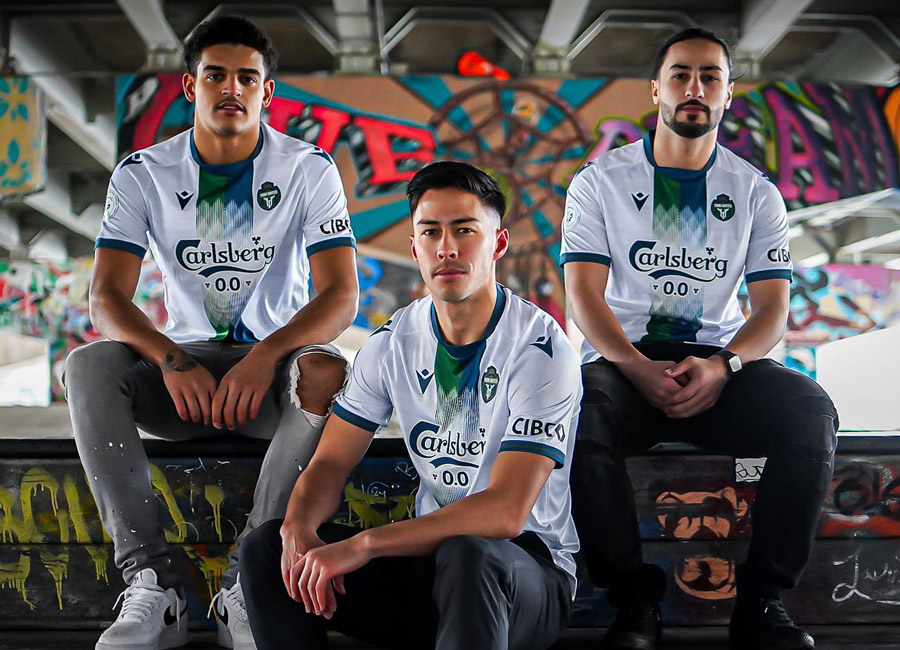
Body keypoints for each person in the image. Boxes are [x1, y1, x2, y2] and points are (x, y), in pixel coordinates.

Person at [63, 15, 358, 650]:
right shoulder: (143, 172)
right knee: (87, 366)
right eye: (215, 75)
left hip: (273, 382)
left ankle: (245, 584)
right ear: (189, 85)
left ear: (266, 92)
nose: (231, 88)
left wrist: (267, 357)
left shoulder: (309, 169)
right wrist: (171, 360)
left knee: (327, 368)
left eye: (247, 78)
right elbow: (106, 299)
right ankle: (153, 583)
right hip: (186, 381)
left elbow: (341, 296)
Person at [561, 28, 838, 650]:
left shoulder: (756, 192)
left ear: (728, 93)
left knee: (810, 410)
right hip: (623, 364)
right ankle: (634, 602)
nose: (695, 87)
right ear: (656, 89)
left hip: (715, 368)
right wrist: (635, 367)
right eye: (681, 74)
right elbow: (584, 297)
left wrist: (724, 367)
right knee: (578, 410)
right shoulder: (599, 181)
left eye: (710, 76)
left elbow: (772, 311)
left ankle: (762, 603)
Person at [240, 161, 581, 650]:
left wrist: (364, 544)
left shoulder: (540, 349)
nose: (447, 248)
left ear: (498, 243)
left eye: (465, 231)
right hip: (432, 571)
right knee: (266, 549)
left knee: (471, 553)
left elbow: (506, 512)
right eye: (431, 232)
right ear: (415, 247)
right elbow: (331, 462)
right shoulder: (393, 342)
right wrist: (298, 528)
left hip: (526, 577)